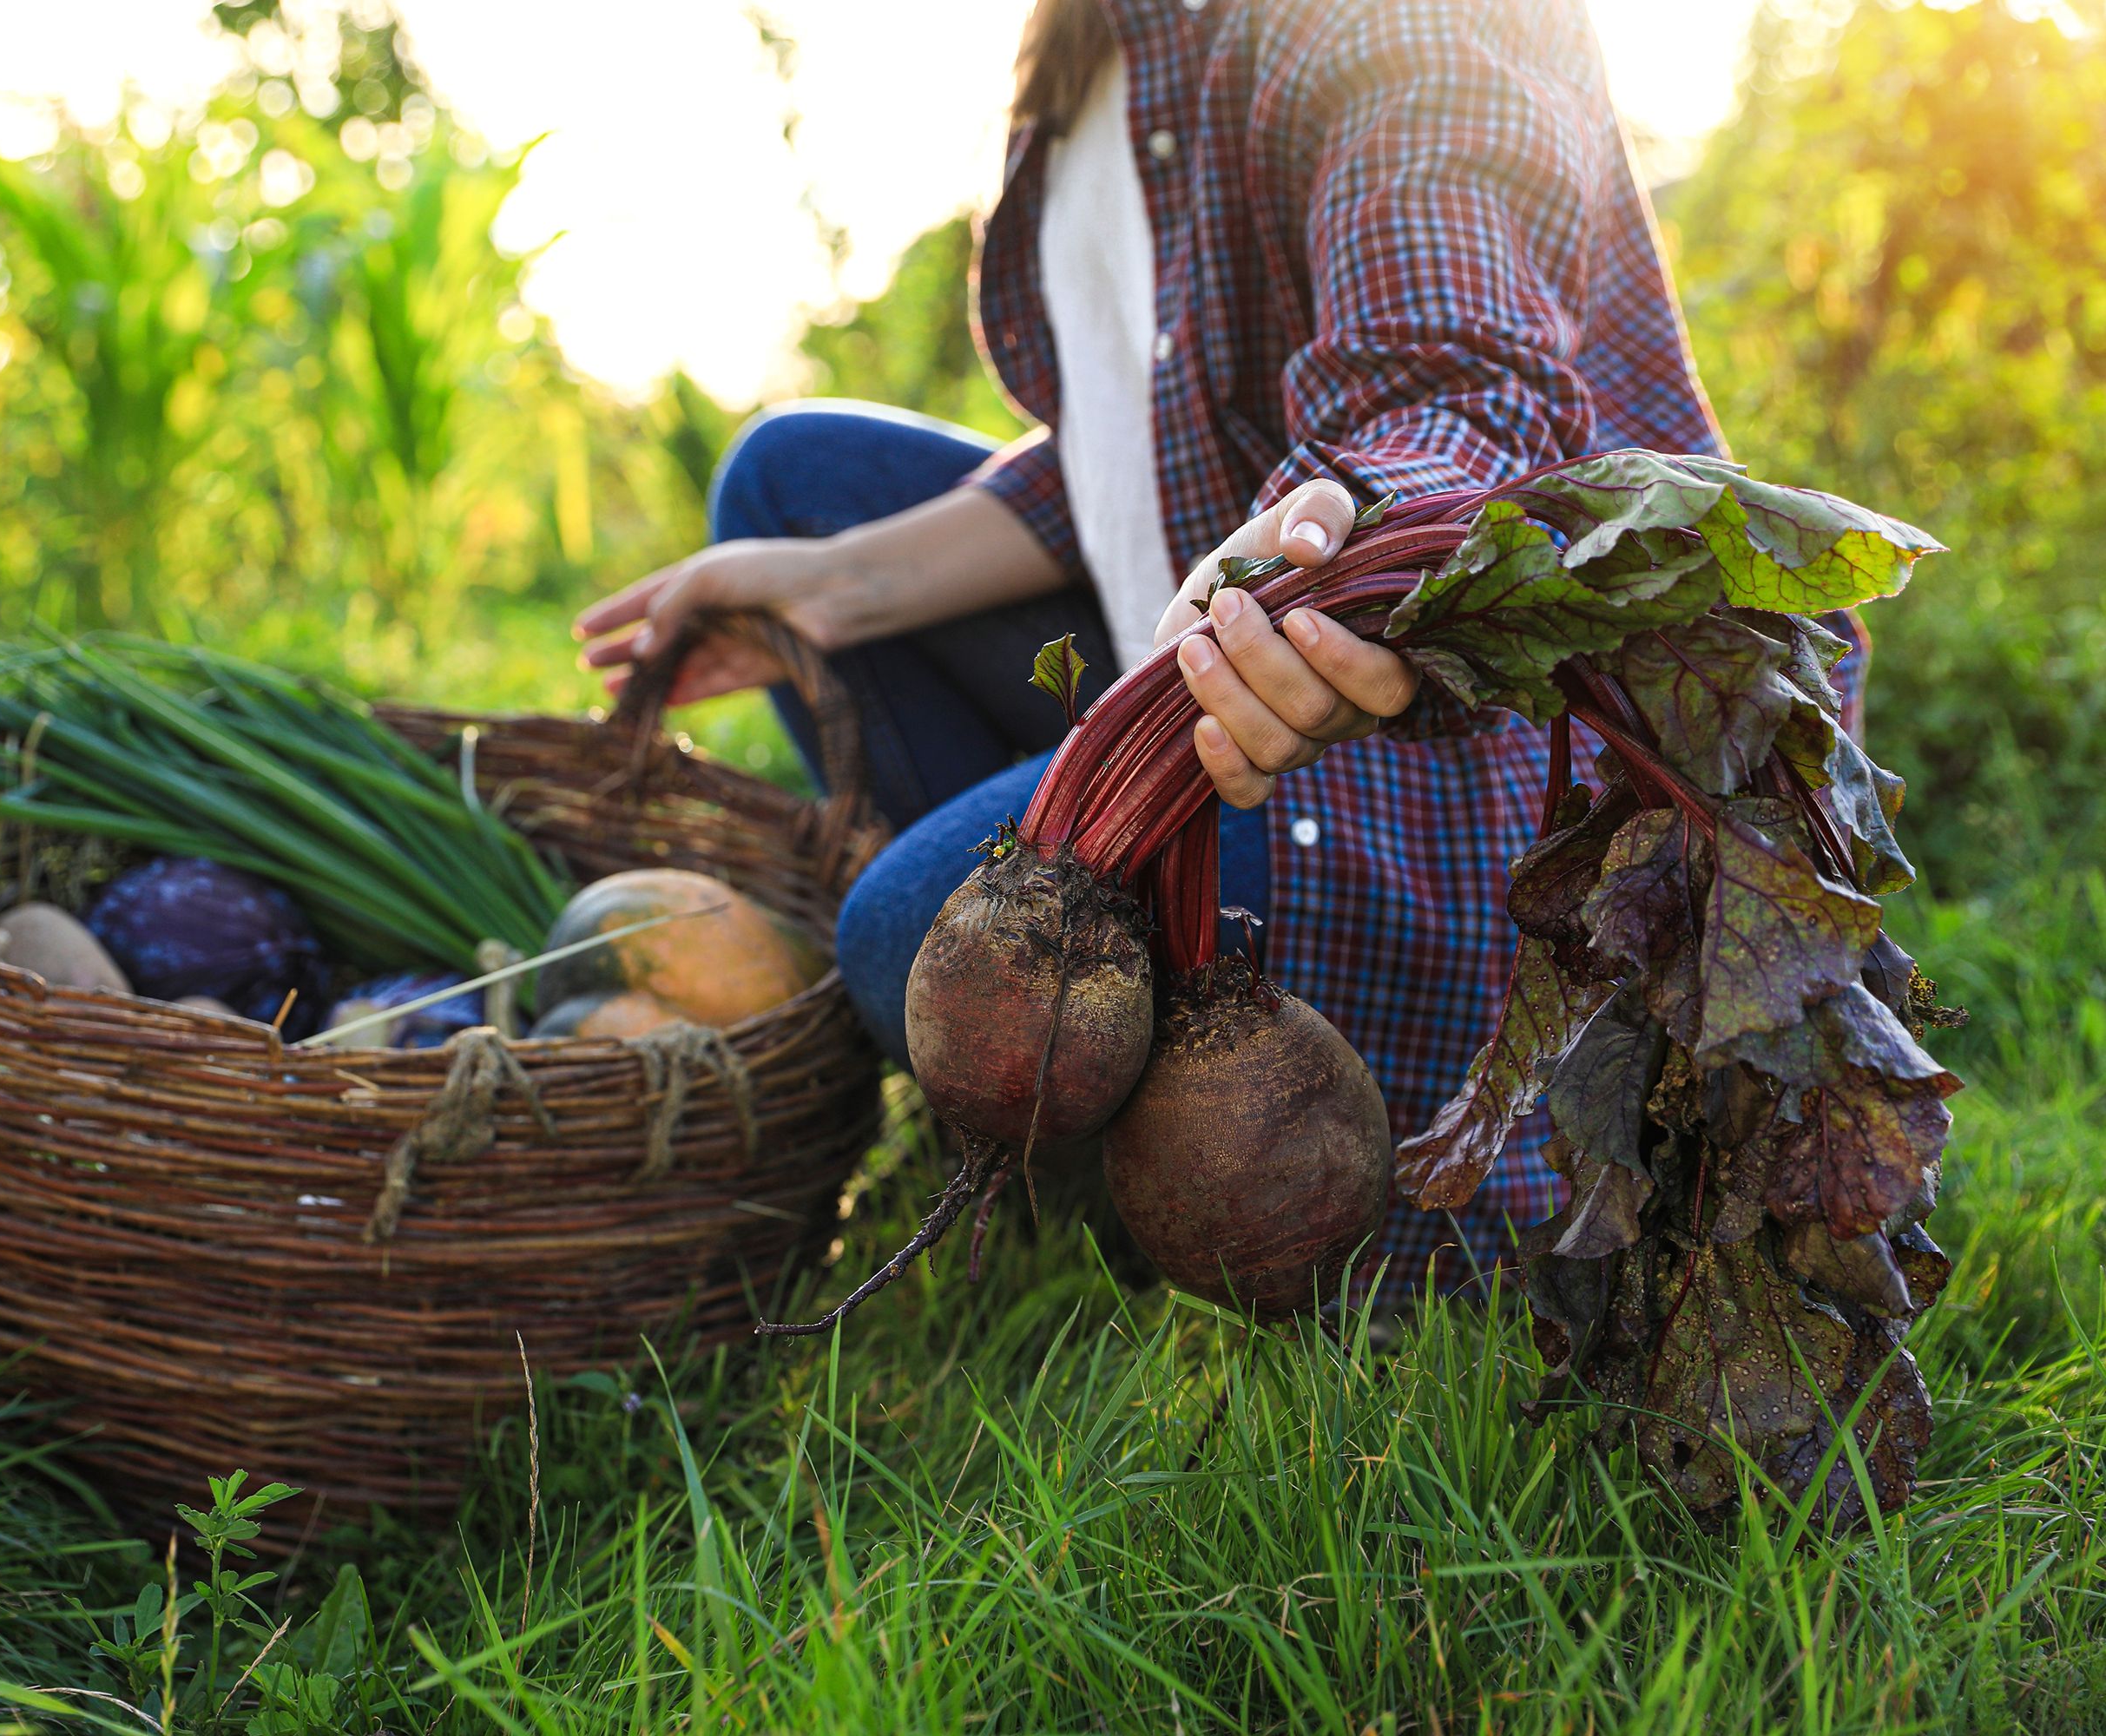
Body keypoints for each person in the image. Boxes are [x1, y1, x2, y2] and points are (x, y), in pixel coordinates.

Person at [573, 0, 1851, 1292]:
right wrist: (832, 586)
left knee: (899, 929)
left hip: (1442, 757)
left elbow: (1454, 387)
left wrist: (1350, 541)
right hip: (1200, 648)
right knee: (794, 481)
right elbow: (1138, 447)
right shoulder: (1098, 44)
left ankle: (1210, 1076)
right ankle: (1086, 1061)